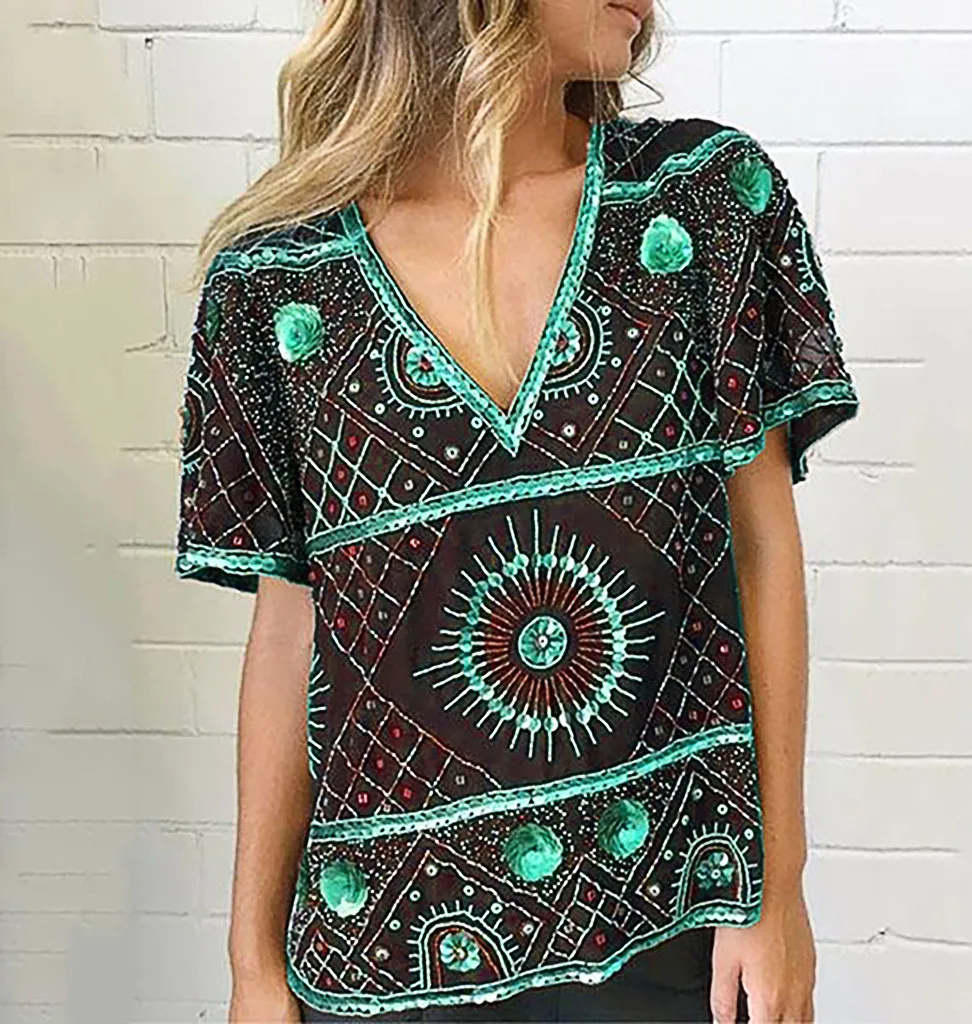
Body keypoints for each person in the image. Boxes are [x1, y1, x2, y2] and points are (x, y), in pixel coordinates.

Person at [173, 1, 860, 1022]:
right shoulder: (277, 285)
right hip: (379, 946)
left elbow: (760, 548)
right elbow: (293, 628)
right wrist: (252, 966)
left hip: (671, 912)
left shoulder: (700, 202)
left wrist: (776, 887)